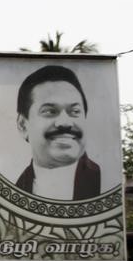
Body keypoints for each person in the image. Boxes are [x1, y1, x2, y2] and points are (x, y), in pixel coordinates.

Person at [14, 64, 100, 200]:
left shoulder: (104, 181)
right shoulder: (15, 194)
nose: (65, 123)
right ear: (23, 125)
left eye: (75, 112)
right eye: (49, 111)